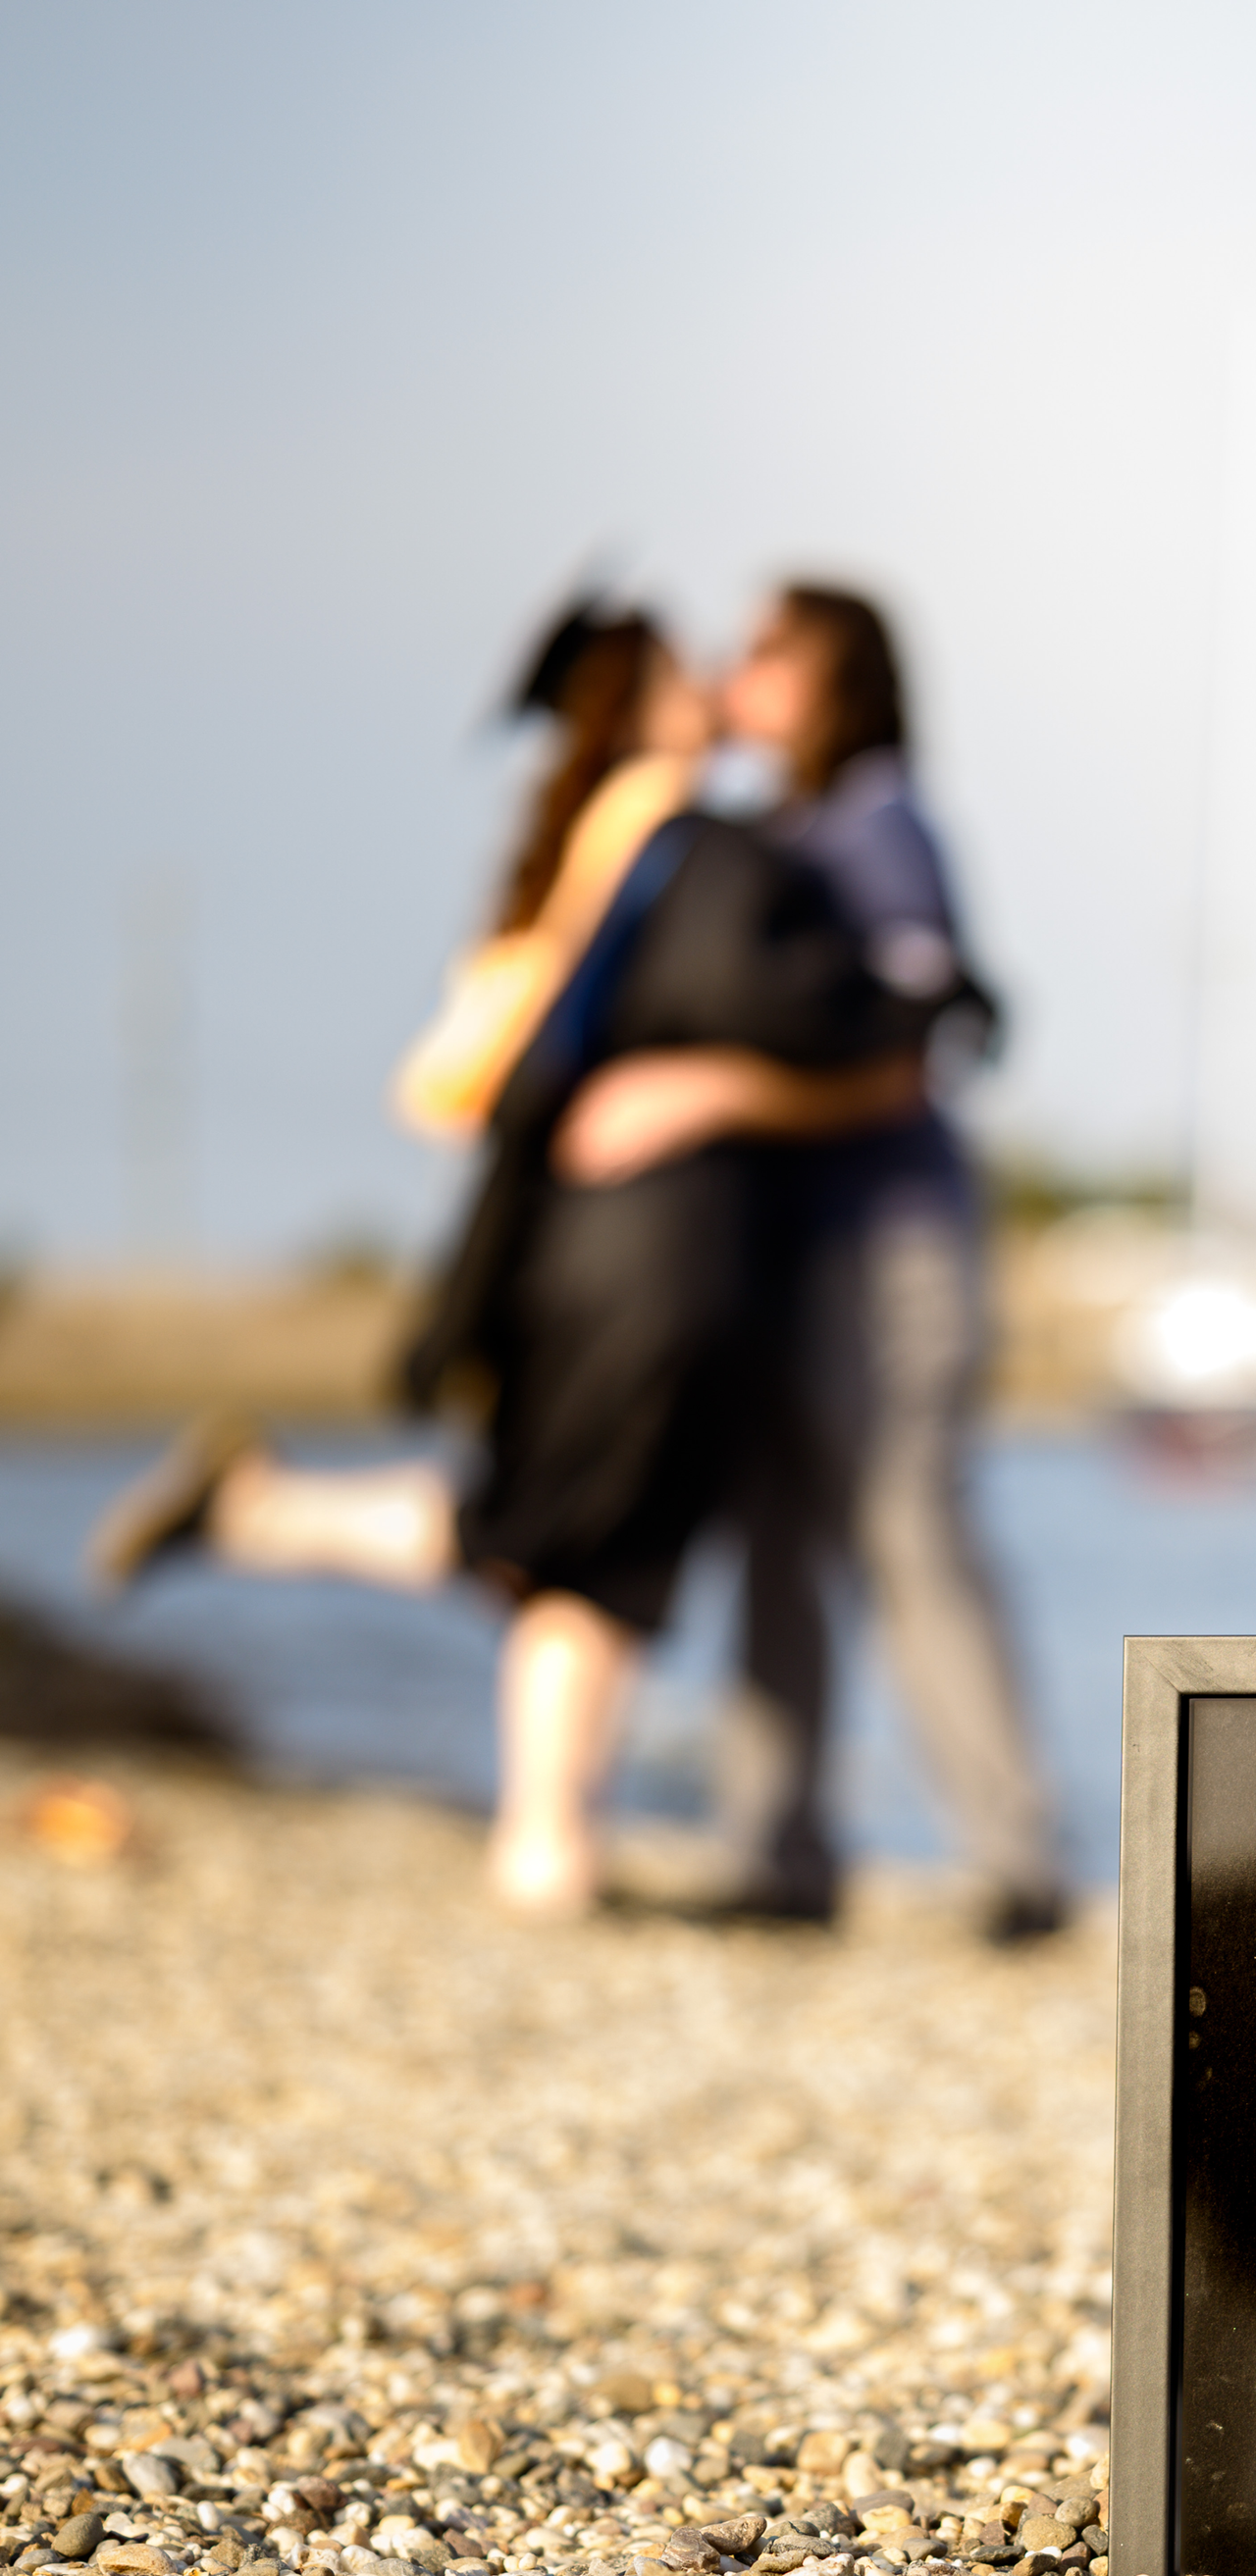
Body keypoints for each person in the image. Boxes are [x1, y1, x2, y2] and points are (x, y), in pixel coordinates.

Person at [89, 596, 920, 1917]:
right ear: (645, 705)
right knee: (595, 1541)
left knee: (546, 1521)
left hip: (560, 1247)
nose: (716, 680)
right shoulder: (692, 849)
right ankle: (543, 1838)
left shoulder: (578, 859)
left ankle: (267, 1520)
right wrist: (900, 1003)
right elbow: (792, 1008)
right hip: (652, 1248)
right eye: (688, 670)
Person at [559, 586, 1067, 1940]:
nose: (740, 670)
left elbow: (907, 1057)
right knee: (775, 1542)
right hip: (777, 1253)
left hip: (888, 1247)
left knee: (909, 1529)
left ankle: (1017, 1861)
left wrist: (711, 1094)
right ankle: (780, 1851)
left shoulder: (877, 828)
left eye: (772, 649)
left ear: (845, 679)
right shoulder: (758, 836)